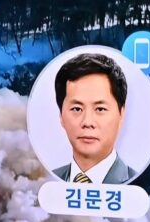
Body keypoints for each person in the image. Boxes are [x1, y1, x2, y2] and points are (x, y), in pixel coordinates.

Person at [50, 52, 136, 184]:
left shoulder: (141, 188)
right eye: (77, 109)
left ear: (121, 114)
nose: (87, 122)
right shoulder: (47, 183)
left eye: (100, 109)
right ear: (61, 115)